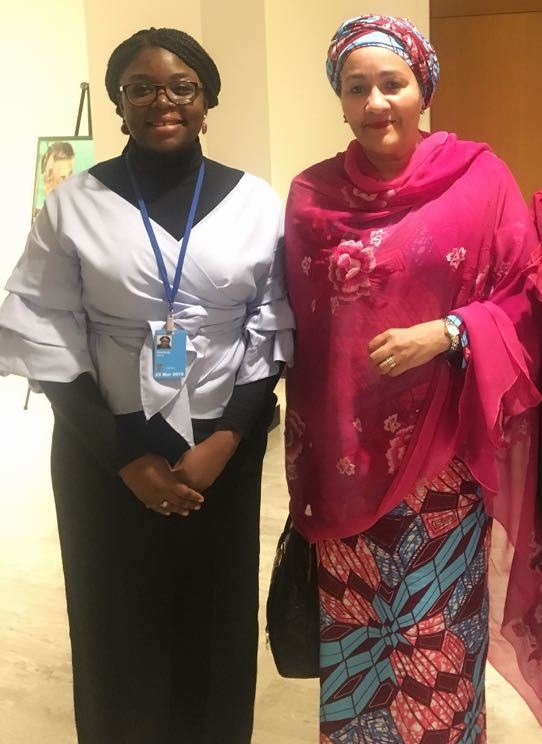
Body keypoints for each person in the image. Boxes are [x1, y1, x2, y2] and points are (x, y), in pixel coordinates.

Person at [0, 27, 293, 744]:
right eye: (141, 88)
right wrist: (124, 456)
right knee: (115, 628)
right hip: (103, 445)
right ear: (119, 104)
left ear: (207, 99)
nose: (163, 101)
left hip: (221, 445)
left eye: (181, 86)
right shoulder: (73, 203)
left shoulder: (256, 201)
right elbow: (46, 328)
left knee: (216, 625)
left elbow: (272, 325)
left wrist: (228, 439)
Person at [284, 14, 542, 743]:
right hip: (343, 457)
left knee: (436, 644)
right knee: (356, 637)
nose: (375, 102)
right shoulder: (310, 196)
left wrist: (451, 331)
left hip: (443, 460)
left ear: (423, 89)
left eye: (392, 84)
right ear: (339, 99)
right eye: (356, 87)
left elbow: (526, 295)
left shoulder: (479, 179)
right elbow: (298, 330)